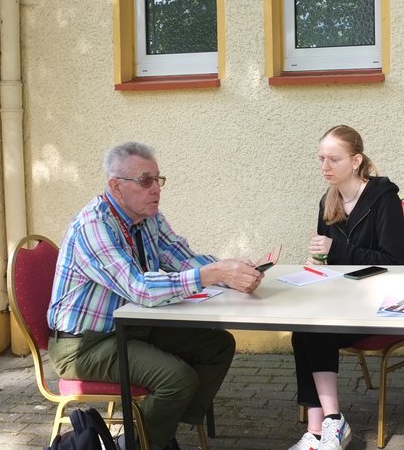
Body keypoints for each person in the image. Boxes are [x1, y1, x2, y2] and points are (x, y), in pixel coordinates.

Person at [47, 141, 264, 450]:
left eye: (158, 180)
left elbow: (183, 259)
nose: (156, 189)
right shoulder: (94, 226)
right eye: (145, 180)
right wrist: (214, 274)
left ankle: (159, 431)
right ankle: (135, 445)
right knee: (177, 379)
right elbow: (140, 288)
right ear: (116, 186)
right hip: (84, 344)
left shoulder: (147, 217)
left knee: (218, 345)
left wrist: (233, 271)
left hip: (131, 324)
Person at [289, 125, 404, 450]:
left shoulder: (384, 199)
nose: (324, 166)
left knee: (314, 330)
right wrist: (316, 266)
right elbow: (327, 260)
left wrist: (335, 250)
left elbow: (395, 262)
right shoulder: (328, 202)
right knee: (303, 330)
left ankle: (329, 427)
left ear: (355, 161)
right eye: (321, 159)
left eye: (333, 159)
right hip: (342, 301)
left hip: (381, 303)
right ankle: (321, 430)